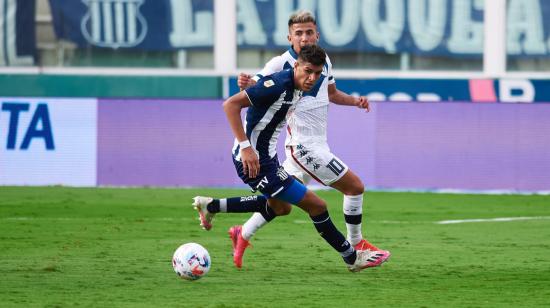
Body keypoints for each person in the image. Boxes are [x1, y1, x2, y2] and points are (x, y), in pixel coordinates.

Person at [194, 10, 390, 268]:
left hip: (271, 155)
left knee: (281, 206)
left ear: (317, 35)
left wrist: (354, 101)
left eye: (309, 32)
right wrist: (246, 146)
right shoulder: (280, 72)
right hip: (273, 153)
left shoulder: (314, 69)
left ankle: (215, 209)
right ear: (291, 45)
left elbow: (327, 92)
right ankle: (354, 254)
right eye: (299, 33)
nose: (313, 78)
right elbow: (239, 99)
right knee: (325, 201)